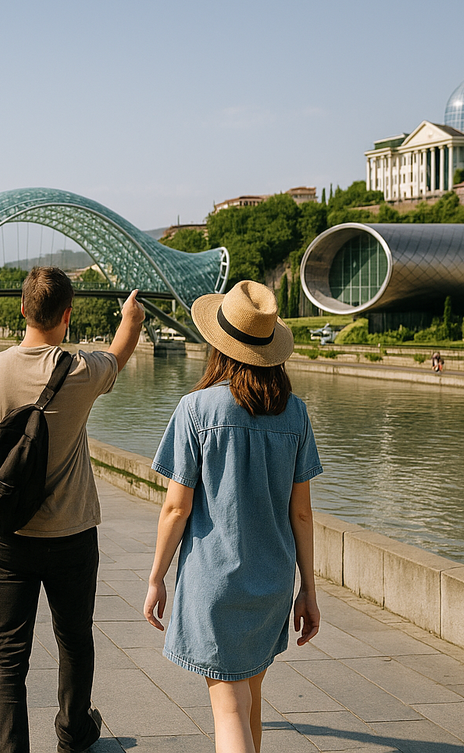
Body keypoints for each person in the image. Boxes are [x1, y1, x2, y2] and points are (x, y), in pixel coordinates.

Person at [0, 266, 145, 753]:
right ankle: (73, 733)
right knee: (75, 639)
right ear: (67, 314)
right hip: (72, 535)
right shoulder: (81, 371)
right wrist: (131, 316)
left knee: (8, 654)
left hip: (7, 538)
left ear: (22, 309)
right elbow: (121, 351)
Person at [142, 281, 322, 753]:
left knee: (228, 710)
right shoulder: (296, 414)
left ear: (219, 346)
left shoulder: (196, 409)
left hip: (214, 582)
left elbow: (176, 507)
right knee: (251, 701)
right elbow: (301, 514)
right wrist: (309, 590)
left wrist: (157, 576)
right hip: (273, 582)